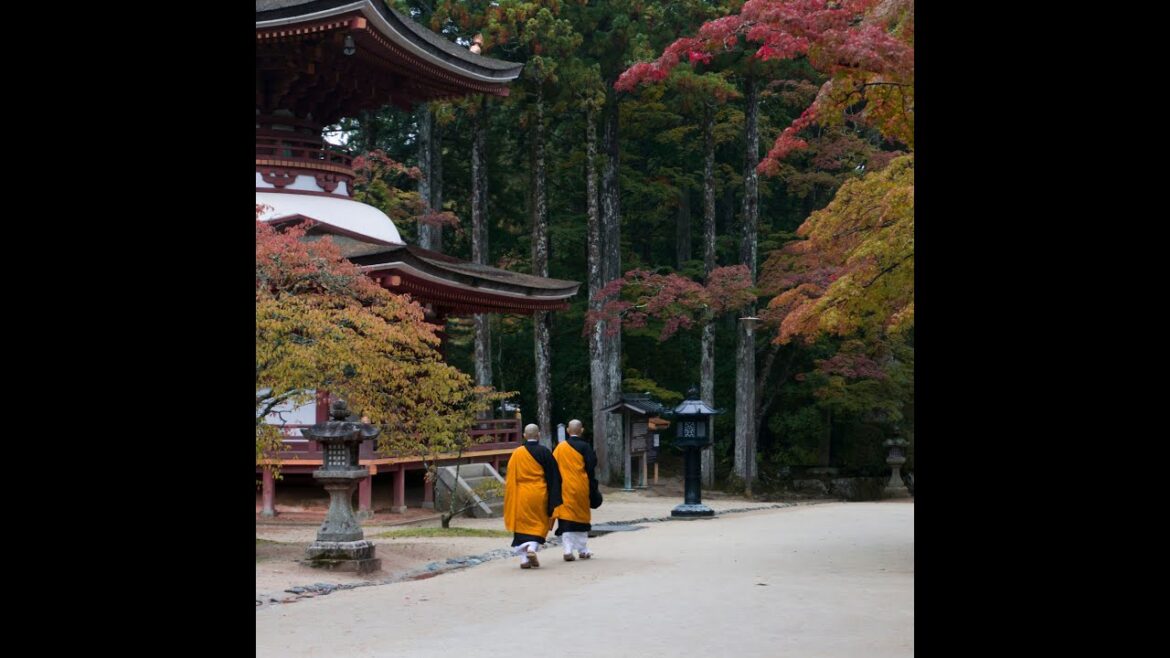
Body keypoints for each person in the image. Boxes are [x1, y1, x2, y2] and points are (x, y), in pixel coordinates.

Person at [503, 424, 562, 569]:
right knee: (539, 523)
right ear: (539, 435)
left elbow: (510, 477)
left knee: (522, 525)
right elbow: (554, 476)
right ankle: (532, 548)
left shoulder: (517, 453)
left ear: (524, 435)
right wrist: (553, 495)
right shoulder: (544, 452)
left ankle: (523, 559)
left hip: (522, 493)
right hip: (539, 493)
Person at [552, 419, 602, 561]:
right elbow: (591, 466)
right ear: (582, 430)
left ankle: (567, 549)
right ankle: (582, 549)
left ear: (568, 431)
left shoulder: (560, 448)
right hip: (581, 486)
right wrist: (593, 486)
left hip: (564, 488)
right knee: (581, 518)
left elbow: (553, 466)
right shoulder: (585, 447)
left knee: (565, 518)